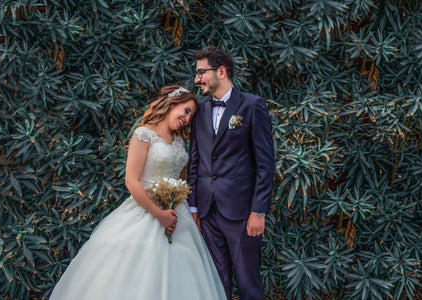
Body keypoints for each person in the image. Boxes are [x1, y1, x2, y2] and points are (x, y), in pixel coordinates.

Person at [50, 85, 226, 300]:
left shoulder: (180, 142)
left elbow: (183, 181)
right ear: (171, 104)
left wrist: (181, 208)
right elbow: (131, 181)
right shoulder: (144, 134)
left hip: (177, 214)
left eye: (191, 115)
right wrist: (159, 214)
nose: (187, 119)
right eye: (186, 111)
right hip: (145, 211)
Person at [187, 46, 275, 300]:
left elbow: (265, 163)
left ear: (221, 71)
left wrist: (258, 211)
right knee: (215, 284)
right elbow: (195, 162)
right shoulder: (199, 110)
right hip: (206, 213)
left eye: (201, 72)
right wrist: (193, 208)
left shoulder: (252, 105)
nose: (197, 79)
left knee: (248, 284)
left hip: (241, 213)